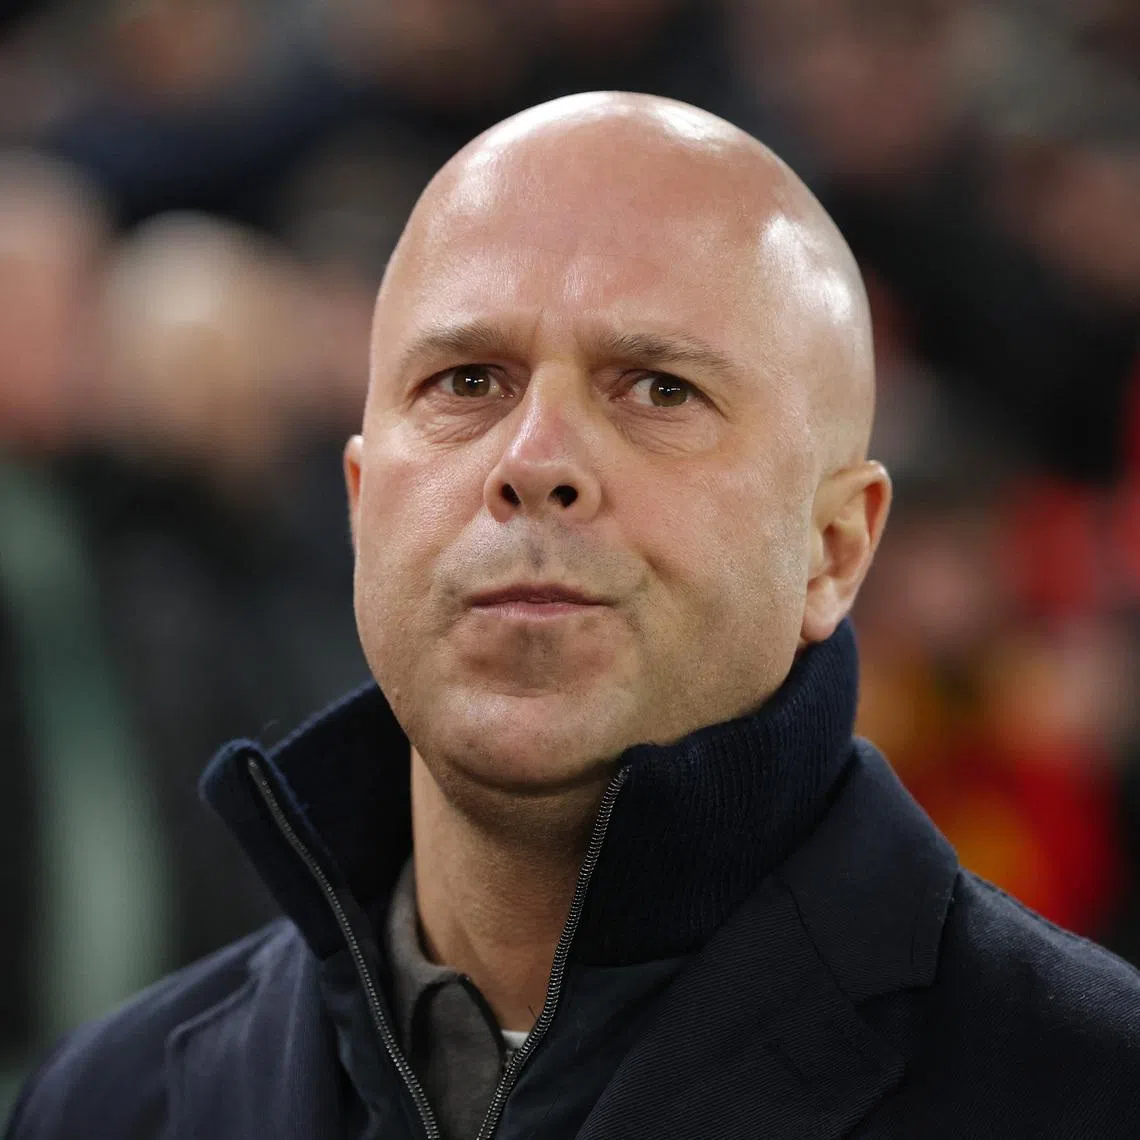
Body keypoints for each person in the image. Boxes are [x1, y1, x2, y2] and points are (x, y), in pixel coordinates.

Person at [7, 91, 1140, 1140]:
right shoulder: (112, 1103)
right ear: (360, 507)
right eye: (467, 383)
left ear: (834, 549)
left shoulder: (1087, 1087)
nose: (534, 461)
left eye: (659, 389)